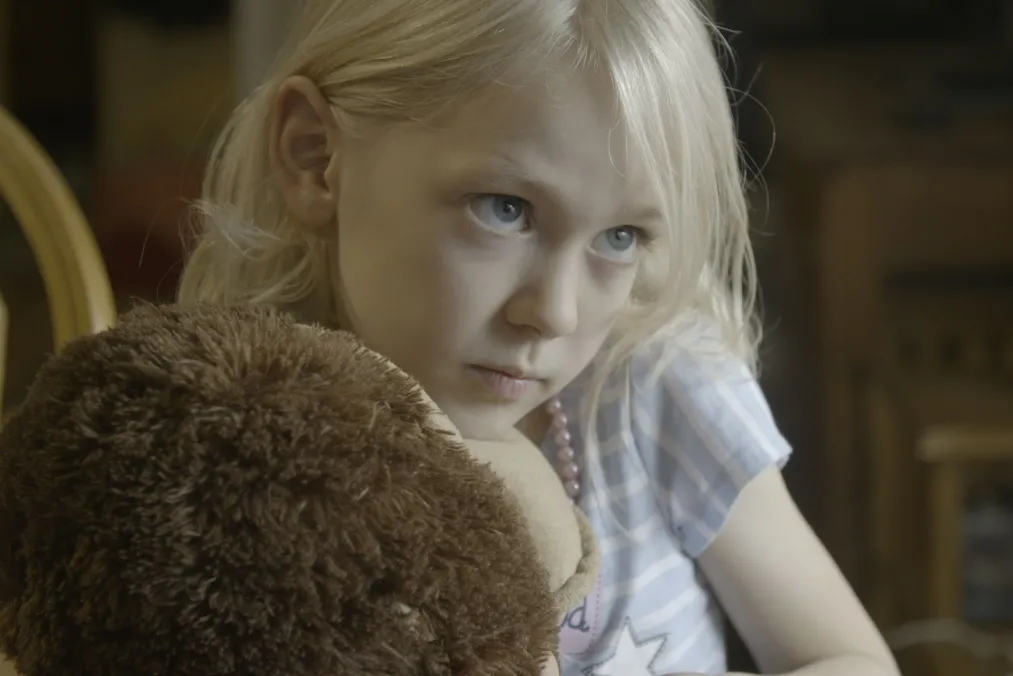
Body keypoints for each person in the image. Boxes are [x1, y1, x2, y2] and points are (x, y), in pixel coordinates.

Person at [177, 0, 901, 674]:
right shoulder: (247, 457)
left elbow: (849, 660)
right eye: (505, 209)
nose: (554, 313)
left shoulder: (651, 388)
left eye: (620, 237)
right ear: (315, 157)